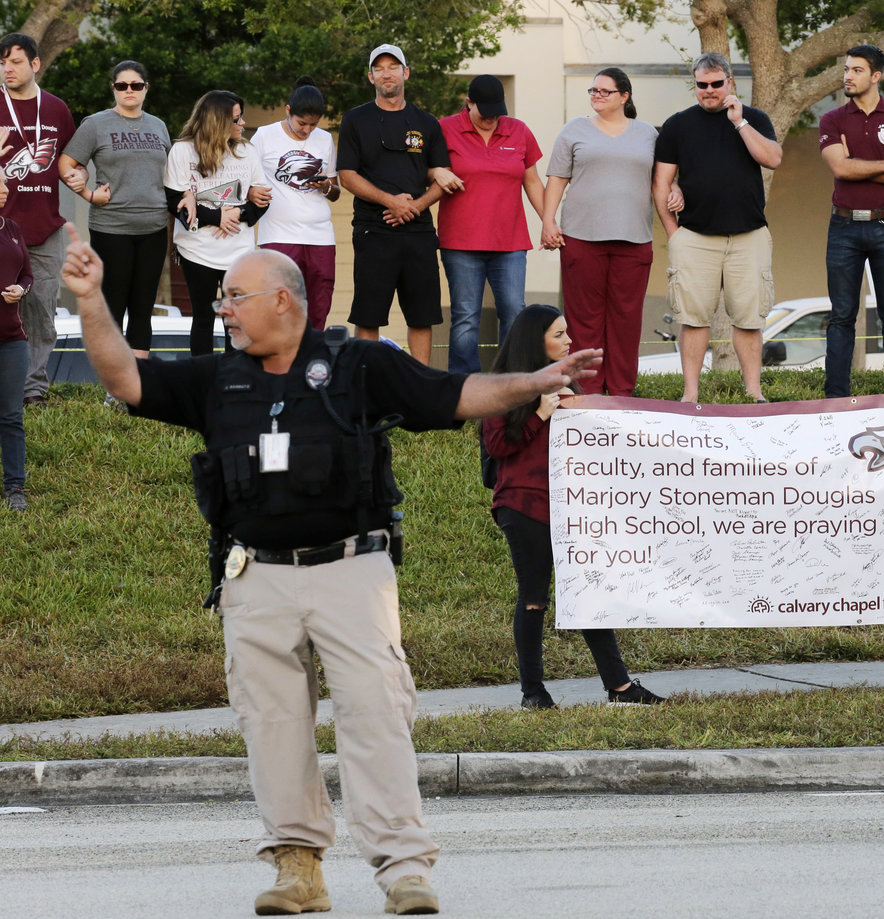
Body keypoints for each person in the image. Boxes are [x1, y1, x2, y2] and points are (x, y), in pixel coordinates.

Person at [61, 227, 603, 915]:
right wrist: (91, 299)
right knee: (272, 724)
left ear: (282, 300)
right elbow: (125, 378)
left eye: (235, 296)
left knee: (376, 715)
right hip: (255, 577)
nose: (223, 309)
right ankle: (298, 868)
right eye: (223, 298)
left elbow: (454, 393)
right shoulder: (217, 379)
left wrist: (536, 381)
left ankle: (404, 870)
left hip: (352, 570)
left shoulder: (358, 365)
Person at [482, 304, 665, 709]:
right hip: (523, 504)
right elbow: (497, 445)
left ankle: (620, 688)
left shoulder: (565, 382)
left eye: (567, 332)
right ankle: (533, 693)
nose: (569, 341)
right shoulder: (504, 386)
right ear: (536, 341)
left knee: (589, 593)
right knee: (534, 598)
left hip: (571, 506)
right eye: (559, 334)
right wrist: (539, 414)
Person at [652, 52, 783, 404]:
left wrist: (739, 123)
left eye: (716, 84)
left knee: (749, 320)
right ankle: (690, 395)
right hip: (695, 238)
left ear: (729, 82)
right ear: (695, 85)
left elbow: (772, 158)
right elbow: (661, 182)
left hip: (749, 236)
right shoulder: (677, 125)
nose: (709, 90)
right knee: (693, 320)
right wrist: (674, 233)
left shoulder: (754, 118)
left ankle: (754, 394)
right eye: (701, 84)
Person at [542, 67, 672, 396]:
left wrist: (677, 193)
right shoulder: (574, 129)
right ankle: (587, 393)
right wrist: (548, 221)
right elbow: (557, 178)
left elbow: (662, 179)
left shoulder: (647, 134)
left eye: (604, 91)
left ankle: (622, 393)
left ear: (624, 96)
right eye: (593, 91)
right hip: (581, 238)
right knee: (583, 321)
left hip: (634, 240)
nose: (596, 96)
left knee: (626, 320)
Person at [338, 43, 460, 365]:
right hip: (372, 229)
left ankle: (419, 384)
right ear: (370, 77)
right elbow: (347, 176)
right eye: (379, 68)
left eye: (393, 67)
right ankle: (368, 382)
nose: (386, 73)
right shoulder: (355, 120)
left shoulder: (427, 122)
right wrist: (390, 201)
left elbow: (443, 177)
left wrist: (415, 206)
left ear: (406, 73)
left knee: (422, 316)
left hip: (418, 231)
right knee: (368, 316)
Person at [819, 44, 884, 397]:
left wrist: (856, 163)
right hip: (843, 227)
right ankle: (836, 399)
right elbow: (840, 168)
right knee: (842, 315)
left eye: (856, 70)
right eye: (846, 69)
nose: (848, 76)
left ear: (876, 76)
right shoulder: (832, 119)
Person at [58, 60, 171, 357]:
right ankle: (113, 379)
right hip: (111, 228)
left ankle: (138, 377)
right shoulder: (96, 124)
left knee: (143, 308)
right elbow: (66, 164)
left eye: (136, 85)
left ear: (146, 88)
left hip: (154, 228)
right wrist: (88, 194)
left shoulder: (158, 125)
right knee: (112, 306)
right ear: (113, 89)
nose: (129, 90)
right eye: (122, 85)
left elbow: (171, 174)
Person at [438, 74, 544, 374]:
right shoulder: (445, 129)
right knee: (466, 317)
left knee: (514, 312)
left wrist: (548, 221)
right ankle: (465, 389)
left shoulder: (518, 130)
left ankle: (510, 385)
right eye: (484, 113)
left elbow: (532, 181)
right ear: (468, 103)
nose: (491, 119)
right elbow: (428, 169)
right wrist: (435, 172)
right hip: (461, 242)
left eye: (496, 113)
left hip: (510, 242)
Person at [164, 89, 270, 356]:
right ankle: (203, 376)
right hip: (197, 249)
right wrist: (216, 217)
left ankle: (234, 376)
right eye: (236, 119)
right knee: (203, 317)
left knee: (236, 319)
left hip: (239, 251)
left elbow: (262, 200)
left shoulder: (246, 151)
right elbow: (174, 202)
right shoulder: (182, 151)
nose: (243, 123)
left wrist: (239, 214)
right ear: (217, 122)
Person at [0, 33, 75, 407]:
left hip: (46, 228)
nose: (7, 69)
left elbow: (68, 162)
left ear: (35, 64)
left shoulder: (57, 109)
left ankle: (33, 390)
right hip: (2, 226)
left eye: (15, 62)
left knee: (42, 313)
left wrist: (83, 181)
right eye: (2, 63)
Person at [250, 76, 340, 331]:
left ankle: (312, 353)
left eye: (314, 124)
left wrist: (325, 186)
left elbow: (335, 192)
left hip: (320, 235)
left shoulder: (324, 139)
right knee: (280, 304)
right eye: (302, 123)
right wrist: (252, 193)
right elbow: (245, 180)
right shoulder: (264, 136)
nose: (307, 130)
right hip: (278, 234)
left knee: (319, 307)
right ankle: (280, 354)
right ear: (288, 111)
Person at [0, 176, 32, 510]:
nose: (5, 190)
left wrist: (21, 289)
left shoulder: (12, 229)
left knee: (11, 416)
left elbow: (27, 274)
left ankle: (14, 488)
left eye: (6, 185)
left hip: (12, 340)